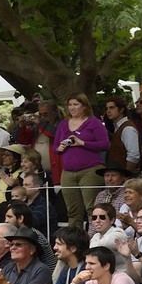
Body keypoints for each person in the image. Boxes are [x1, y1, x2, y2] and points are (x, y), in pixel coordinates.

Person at [54, 94, 110, 227]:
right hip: (68, 172)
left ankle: (96, 240)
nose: (72, 108)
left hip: (90, 170)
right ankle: (75, 242)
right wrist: (60, 147)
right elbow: (55, 146)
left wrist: (83, 143)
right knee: (73, 211)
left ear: (84, 107)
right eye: (70, 105)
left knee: (92, 209)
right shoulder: (63, 124)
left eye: (76, 104)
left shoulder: (93, 122)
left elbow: (105, 144)